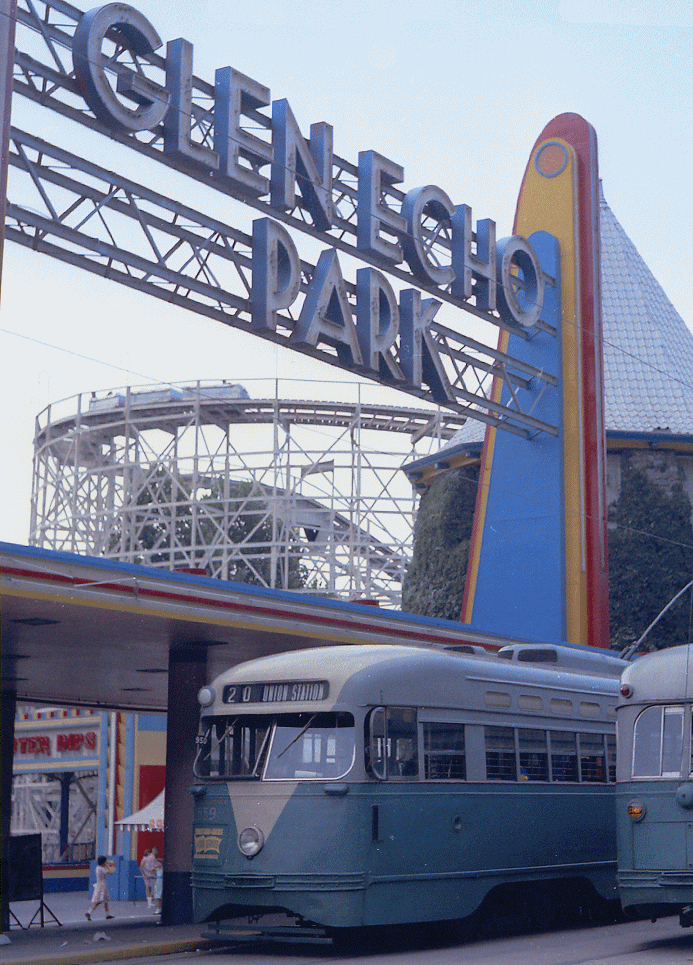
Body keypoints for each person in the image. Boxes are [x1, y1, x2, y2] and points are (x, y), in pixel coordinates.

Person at [85, 855, 115, 920]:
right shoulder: (102, 869)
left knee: (105, 900)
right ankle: (89, 912)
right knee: (100, 900)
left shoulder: (97, 868)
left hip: (99, 884)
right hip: (103, 885)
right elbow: (111, 872)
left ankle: (108, 914)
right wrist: (107, 866)